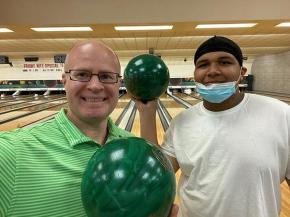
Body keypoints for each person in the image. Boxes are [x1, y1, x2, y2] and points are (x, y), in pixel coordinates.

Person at [0, 40, 178, 217]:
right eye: (82, 74)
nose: (95, 86)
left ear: (118, 84)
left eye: (107, 76)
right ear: (64, 81)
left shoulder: (135, 149)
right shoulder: (10, 154)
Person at [137, 36, 290, 217]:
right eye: (203, 64)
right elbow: (156, 177)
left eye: (224, 62)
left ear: (242, 72)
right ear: (195, 74)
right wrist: (147, 112)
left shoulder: (281, 115)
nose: (213, 71)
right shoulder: (180, 123)